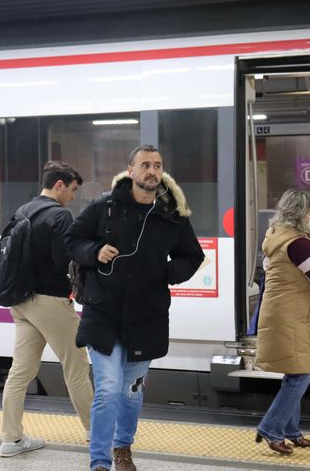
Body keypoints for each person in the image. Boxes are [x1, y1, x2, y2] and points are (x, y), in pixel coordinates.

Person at [65, 145, 204, 471]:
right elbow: (72, 239)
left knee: (130, 392)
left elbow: (192, 256)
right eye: (145, 165)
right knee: (108, 390)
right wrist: (94, 251)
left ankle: (122, 448)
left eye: (157, 165)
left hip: (146, 316)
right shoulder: (105, 208)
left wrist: (169, 272)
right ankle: (99, 462)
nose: (152, 171)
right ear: (131, 171)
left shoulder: (172, 217)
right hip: (104, 313)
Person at [0, 161, 93, 458]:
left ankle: (11, 440)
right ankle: (97, 432)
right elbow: (63, 261)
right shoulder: (59, 215)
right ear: (60, 185)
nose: (73, 197)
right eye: (73, 190)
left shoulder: (23, 210)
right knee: (77, 366)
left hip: (21, 301)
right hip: (49, 300)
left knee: (20, 371)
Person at [254, 189, 310, 455]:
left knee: (296, 372)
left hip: (284, 312)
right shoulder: (298, 244)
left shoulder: (277, 235)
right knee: (301, 374)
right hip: (291, 315)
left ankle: (291, 431)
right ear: (300, 213)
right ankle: (272, 428)